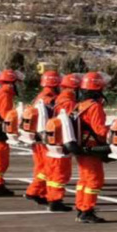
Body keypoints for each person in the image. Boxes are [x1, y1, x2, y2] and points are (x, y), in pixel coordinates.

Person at [72, 71, 110, 223]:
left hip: (81, 147)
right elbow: (100, 130)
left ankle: (81, 207)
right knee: (94, 180)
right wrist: (113, 131)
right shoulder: (94, 107)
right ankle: (87, 210)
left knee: (84, 179)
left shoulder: (80, 105)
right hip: (91, 148)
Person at [44, 73, 80, 213]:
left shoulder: (59, 99)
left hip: (53, 141)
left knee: (53, 174)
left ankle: (51, 198)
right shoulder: (69, 103)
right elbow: (70, 123)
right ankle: (55, 201)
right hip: (62, 142)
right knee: (60, 174)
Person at [24, 70, 61, 203]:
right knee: (47, 168)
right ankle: (34, 191)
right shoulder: (50, 99)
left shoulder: (41, 96)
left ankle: (40, 192)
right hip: (44, 138)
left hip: (37, 138)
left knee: (40, 167)